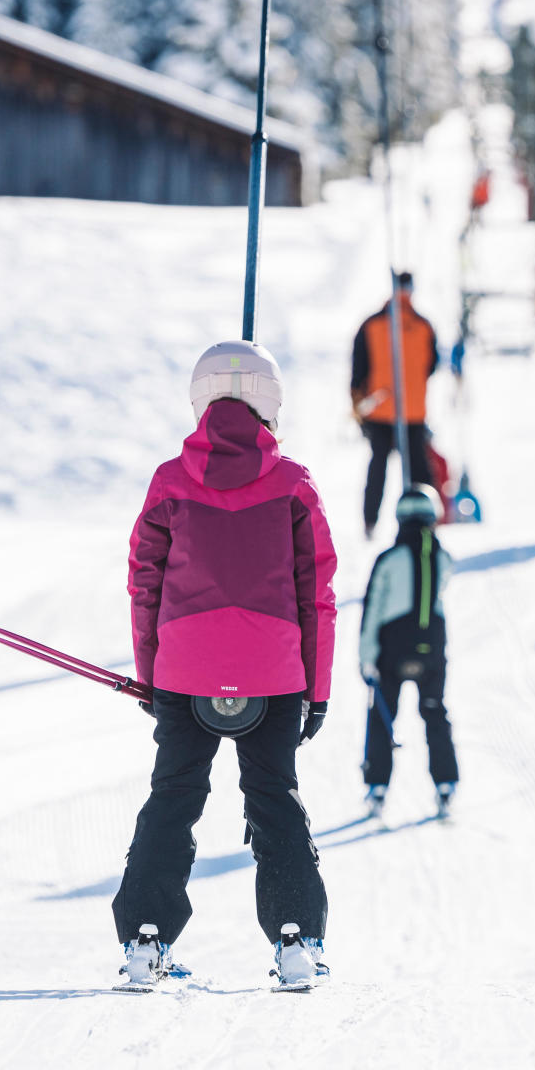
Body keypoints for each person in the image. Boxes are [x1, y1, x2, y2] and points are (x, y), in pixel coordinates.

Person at [114, 340, 339, 991]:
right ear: (271, 402)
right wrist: (315, 692)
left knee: (174, 795)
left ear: (199, 398)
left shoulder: (170, 480)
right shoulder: (294, 483)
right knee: (274, 798)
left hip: (185, 669)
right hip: (274, 671)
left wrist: (153, 675)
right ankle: (297, 939)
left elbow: (143, 581)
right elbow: (316, 592)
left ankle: (143, 940)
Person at [360, 484, 459, 816]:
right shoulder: (442, 557)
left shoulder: (388, 559)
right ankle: (445, 783)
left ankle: (377, 784)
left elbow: (373, 608)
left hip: (392, 649)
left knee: (383, 715)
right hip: (431, 647)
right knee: (434, 710)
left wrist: (366, 657)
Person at [351, 272, 440, 537]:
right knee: (419, 471)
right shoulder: (424, 325)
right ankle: (426, 519)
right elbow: (432, 365)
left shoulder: (372, 324)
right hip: (413, 412)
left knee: (377, 469)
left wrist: (358, 405)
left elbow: (359, 368)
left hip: (378, 409)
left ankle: (370, 523)